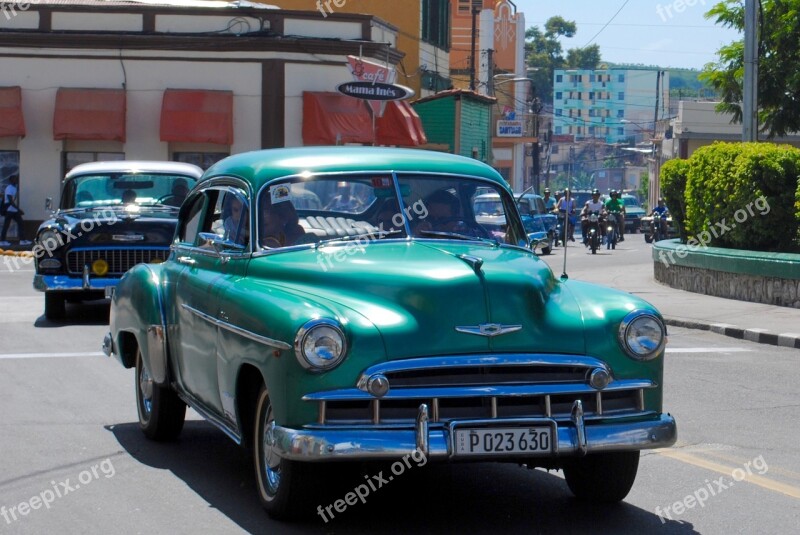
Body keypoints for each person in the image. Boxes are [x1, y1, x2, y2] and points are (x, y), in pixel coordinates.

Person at [0, 174, 31, 246]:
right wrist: (18, 210)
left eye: (16, 179)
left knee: (21, 224)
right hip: (9, 210)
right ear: (11, 180)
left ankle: (22, 240)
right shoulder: (9, 188)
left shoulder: (15, 188)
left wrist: (17, 210)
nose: (16, 180)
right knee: (6, 225)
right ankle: (2, 241)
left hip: (14, 210)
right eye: (15, 179)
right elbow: (10, 200)